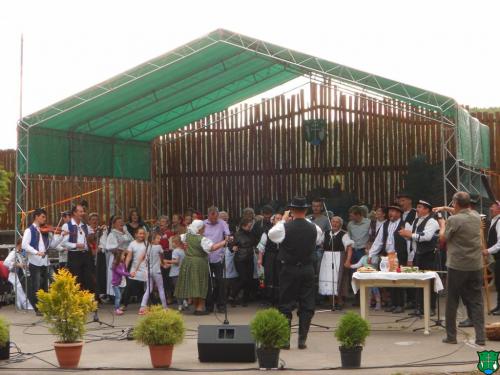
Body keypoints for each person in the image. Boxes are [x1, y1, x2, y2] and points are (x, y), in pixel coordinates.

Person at [268, 196, 323, 350]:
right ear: (306, 210)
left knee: (285, 303)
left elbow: (272, 235)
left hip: (289, 268)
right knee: (307, 304)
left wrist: (283, 220)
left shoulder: (284, 227)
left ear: (291, 210)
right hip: (307, 269)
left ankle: (285, 340)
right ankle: (302, 340)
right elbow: (318, 241)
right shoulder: (314, 228)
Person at [439, 192, 485, 346]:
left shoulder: (453, 220)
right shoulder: (476, 216)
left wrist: (442, 224)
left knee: (452, 300)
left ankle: (451, 336)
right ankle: (481, 337)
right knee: (477, 300)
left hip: (457, 265)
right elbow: (463, 214)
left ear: (456, 203)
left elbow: (443, 238)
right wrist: (447, 208)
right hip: (475, 264)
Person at [174, 220, 228, 315]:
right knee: (201, 284)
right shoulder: (202, 239)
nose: (204, 229)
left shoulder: (186, 236)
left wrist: (184, 246)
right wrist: (224, 241)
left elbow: (178, 239)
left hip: (188, 262)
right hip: (199, 263)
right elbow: (212, 248)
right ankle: (200, 308)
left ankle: (196, 306)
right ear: (199, 229)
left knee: (193, 284)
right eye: (203, 228)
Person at [399, 200, 439, 316]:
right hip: (418, 255)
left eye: (420, 207)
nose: (418, 209)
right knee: (419, 281)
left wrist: (410, 234)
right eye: (417, 207)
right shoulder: (416, 220)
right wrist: (406, 235)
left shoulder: (432, 221)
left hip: (429, 255)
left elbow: (426, 237)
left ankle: (431, 308)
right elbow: (413, 237)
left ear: (427, 209)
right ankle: (420, 307)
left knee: (430, 281)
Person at [23, 208, 65, 315]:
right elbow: (24, 245)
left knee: (54, 281)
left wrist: (61, 237)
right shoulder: (29, 230)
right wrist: (36, 252)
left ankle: (52, 305)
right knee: (36, 286)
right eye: (43, 217)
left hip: (45, 261)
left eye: (44, 217)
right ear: (36, 217)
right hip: (34, 261)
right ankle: (39, 309)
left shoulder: (45, 231)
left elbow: (52, 245)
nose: (44, 219)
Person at [368, 205, 408, 314]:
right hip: (388, 256)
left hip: (400, 256)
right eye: (390, 211)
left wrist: (410, 258)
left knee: (399, 281)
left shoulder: (405, 224)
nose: (391, 213)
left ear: (399, 213)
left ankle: (400, 304)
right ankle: (393, 303)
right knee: (391, 280)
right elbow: (378, 241)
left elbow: (409, 243)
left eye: (394, 211)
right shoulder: (385, 225)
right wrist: (371, 255)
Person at [319, 216, 354, 309]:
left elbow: (349, 248)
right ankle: (331, 301)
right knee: (327, 278)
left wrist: (347, 260)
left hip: (338, 257)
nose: (334, 223)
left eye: (337, 222)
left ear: (340, 224)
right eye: (333, 221)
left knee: (338, 279)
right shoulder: (326, 233)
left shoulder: (344, 234)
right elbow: (319, 242)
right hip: (326, 258)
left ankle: (339, 302)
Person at [61, 204, 94, 292]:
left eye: (83, 211)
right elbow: (64, 243)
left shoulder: (85, 226)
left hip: (86, 255)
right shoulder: (67, 226)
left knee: (87, 278)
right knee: (76, 280)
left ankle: (88, 300)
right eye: (80, 212)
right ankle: (77, 302)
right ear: (74, 213)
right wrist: (76, 245)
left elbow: (90, 238)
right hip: (74, 255)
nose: (83, 213)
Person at [204, 206, 231, 313]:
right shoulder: (203, 224)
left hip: (219, 256)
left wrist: (228, 238)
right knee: (207, 283)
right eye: (212, 218)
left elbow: (227, 235)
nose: (214, 220)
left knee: (221, 282)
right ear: (209, 215)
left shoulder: (222, 223)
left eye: (216, 218)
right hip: (206, 257)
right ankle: (209, 306)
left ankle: (221, 305)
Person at [136, 232, 167, 314]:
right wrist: (163, 263)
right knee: (161, 288)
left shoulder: (147, 248)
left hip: (149, 271)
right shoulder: (158, 247)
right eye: (157, 238)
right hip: (157, 271)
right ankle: (165, 307)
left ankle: (142, 307)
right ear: (152, 240)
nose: (159, 240)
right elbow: (162, 256)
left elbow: (145, 258)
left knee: (148, 289)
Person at [104, 216, 134, 298]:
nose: (121, 223)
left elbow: (133, 242)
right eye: (118, 222)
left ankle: (126, 296)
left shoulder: (126, 232)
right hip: (117, 258)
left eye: (122, 221)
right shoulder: (112, 234)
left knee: (127, 276)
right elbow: (109, 247)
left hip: (128, 257)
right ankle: (116, 296)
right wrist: (123, 251)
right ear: (114, 224)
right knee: (118, 277)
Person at [231, 218, 258, 306]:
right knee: (243, 279)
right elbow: (231, 245)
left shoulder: (252, 234)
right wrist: (232, 247)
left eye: (251, 226)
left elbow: (255, 243)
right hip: (240, 260)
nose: (250, 227)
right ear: (243, 226)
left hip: (249, 259)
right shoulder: (237, 234)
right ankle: (233, 295)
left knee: (249, 279)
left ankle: (245, 299)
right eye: (248, 226)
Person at [257, 213, 283, 307]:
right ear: (273, 220)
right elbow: (261, 246)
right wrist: (260, 259)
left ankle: (278, 300)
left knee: (279, 277)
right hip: (270, 256)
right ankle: (268, 299)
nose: (279, 220)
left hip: (281, 256)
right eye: (277, 218)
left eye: (281, 218)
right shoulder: (267, 231)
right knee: (269, 277)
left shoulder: (285, 231)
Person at [4, 238, 34, 310]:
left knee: (22, 290)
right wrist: (17, 264)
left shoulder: (23, 251)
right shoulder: (13, 253)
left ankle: (20, 306)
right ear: (19, 244)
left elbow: (26, 261)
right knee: (20, 289)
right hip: (14, 275)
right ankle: (27, 306)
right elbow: (6, 262)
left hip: (23, 274)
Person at [123, 228, 148, 309]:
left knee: (146, 288)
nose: (142, 235)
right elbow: (129, 257)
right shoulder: (132, 244)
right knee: (129, 286)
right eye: (140, 233)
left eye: (143, 234)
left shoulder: (147, 244)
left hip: (145, 269)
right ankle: (124, 304)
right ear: (136, 234)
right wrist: (125, 268)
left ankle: (146, 305)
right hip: (134, 269)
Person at [484, 200, 500, 315]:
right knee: (498, 282)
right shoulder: (494, 220)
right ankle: (499, 305)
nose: (490, 208)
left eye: (493, 207)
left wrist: (488, 251)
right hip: (496, 257)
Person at [164, 235, 187, 311]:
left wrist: (167, 261)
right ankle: (184, 301)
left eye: (171, 243)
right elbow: (179, 263)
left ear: (175, 243)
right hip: (181, 272)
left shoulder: (175, 251)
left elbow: (176, 261)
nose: (171, 244)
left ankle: (180, 304)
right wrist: (169, 265)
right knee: (181, 288)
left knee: (177, 289)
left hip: (175, 273)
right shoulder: (182, 251)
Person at [111, 249, 133, 315]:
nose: (124, 257)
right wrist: (129, 274)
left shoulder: (123, 263)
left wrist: (130, 274)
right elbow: (120, 272)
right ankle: (116, 309)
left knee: (119, 296)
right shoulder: (115, 264)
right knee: (118, 296)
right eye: (123, 255)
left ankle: (117, 307)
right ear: (118, 256)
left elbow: (125, 271)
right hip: (116, 283)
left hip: (122, 283)